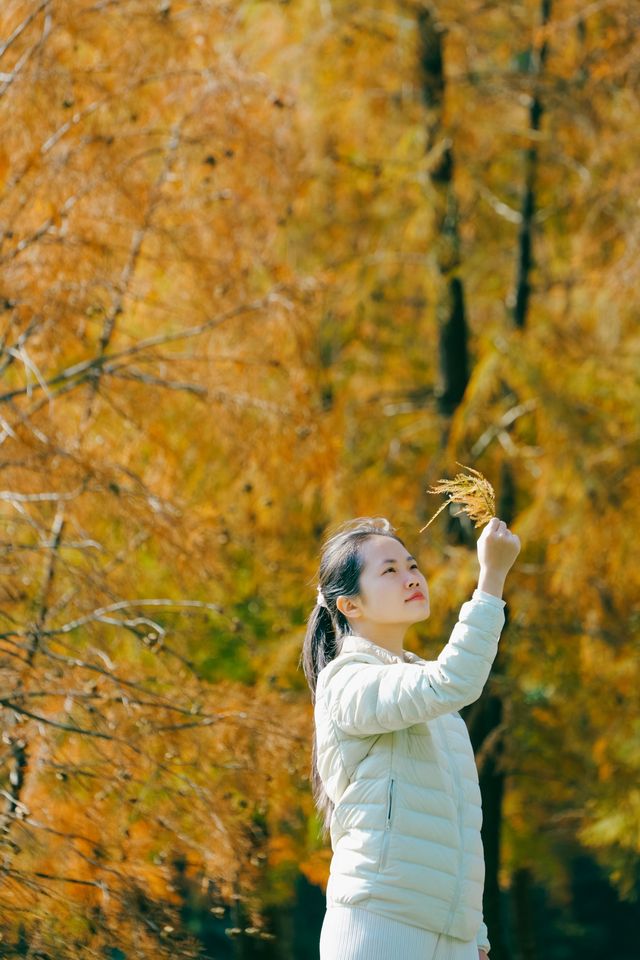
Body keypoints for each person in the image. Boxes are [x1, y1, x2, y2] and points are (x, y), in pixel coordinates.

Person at [301, 515, 520, 960]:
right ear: (350, 606)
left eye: (412, 565)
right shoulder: (346, 681)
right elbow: (454, 680)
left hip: (449, 934)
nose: (410, 578)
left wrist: (473, 934)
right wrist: (492, 577)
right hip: (381, 924)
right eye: (389, 570)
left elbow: (454, 819)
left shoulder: (428, 690)